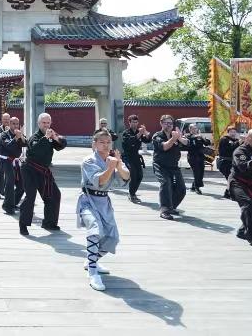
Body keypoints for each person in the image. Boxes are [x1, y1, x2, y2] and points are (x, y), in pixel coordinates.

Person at [77, 130, 130, 291]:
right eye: (102, 142)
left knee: (112, 238)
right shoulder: (88, 161)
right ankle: (93, 273)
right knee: (94, 230)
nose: (106, 145)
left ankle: (91, 260)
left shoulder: (113, 159)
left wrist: (118, 165)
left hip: (104, 202)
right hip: (88, 201)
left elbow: (126, 177)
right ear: (94, 144)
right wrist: (110, 168)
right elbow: (99, 181)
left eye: (108, 142)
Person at [19, 113, 67, 236]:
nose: (46, 125)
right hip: (30, 170)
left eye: (48, 123)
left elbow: (62, 145)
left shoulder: (50, 136)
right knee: (30, 196)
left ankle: (49, 222)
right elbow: (34, 149)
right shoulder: (35, 137)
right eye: (43, 123)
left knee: (54, 194)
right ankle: (23, 225)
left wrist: (56, 138)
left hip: (43, 171)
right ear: (39, 124)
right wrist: (45, 138)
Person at [152, 114, 189, 220]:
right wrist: (173, 139)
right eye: (166, 123)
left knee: (181, 189)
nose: (168, 125)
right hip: (160, 165)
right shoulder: (157, 135)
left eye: (170, 123)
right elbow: (164, 147)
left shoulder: (176, 135)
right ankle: (164, 209)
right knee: (165, 183)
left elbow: (187, 143)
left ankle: (171, 206)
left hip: (174, 166)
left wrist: (180, 138)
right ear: (161, 123)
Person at [121, 115, 152, 204]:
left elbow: (148, 140)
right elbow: (131, 141)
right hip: (127, 156)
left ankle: (133, 192)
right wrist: (139, 133)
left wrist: (145, 132)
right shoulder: (126, 132)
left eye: (136, 122)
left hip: (136, 157)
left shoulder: (140, 132)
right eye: (133, 122)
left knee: (140, 175)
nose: (135, 124)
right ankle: (131, 194)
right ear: (129, 123)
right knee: (133, 175)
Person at [0, 116, 27, 215]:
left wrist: (21, 137)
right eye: (13, 124)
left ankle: (13, 202)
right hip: (6, 161)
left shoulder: (19, 134)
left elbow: (26, 144)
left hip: (16, 161)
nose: (15, 126)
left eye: (17, 124)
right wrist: (16, 138)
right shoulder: (4, 135)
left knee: (22, 184)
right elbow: (9, 146)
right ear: (9, 124)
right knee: (10, 183)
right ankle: (8, 206)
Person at [185, 123, 211, 195]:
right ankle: (197, 187)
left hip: (200, 156)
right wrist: (196, 136)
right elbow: (188, 141)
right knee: (196, 172)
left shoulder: (200, 136)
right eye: (193, 128)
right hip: (192, 157)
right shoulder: (188, 136)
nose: (194, 130)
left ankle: (193, 186)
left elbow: (207, 143)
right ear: (190, 129)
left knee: (201, 172)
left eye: (195, 128)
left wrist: (202, 137)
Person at [217, 127, 241, 198]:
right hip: (225, 162)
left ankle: (227, 193)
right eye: (231, 132)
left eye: (234, 132)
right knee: (230, 178)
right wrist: (238, 142)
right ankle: (231, 194)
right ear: (228, 132)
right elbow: (229, 149)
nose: (233, 133)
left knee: (231, 179)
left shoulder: (236, 140)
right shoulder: (224, 139)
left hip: (233, 163)